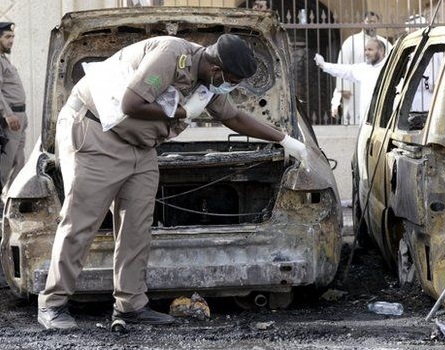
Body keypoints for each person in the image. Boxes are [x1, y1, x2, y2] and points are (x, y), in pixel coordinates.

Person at [37, 34, 308, 330]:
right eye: (230, 80)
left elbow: (234, 117)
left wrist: (284, 140)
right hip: (97, 132)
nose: (229, 87)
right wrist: (181, 112)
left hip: (141, 147)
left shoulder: (209, 83)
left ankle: (130, 306)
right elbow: (131, 103)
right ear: (216, 68)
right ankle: (53, 304)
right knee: (81, 222)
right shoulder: (171, 54)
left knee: (136, 227)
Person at [331, 11, 391, 125]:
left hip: (376, 85)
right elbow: (343, 64)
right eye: (369, 22)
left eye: (374, 22)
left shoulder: (384, 43)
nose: (371, 25)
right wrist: (343, 87)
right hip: (354, 89)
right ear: (362, 23)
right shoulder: (351, 41)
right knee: (355, 117)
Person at [316, 38, 386, 126]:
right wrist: (324, 65)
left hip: (383, 123)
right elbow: (345, 70)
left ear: (381, 51)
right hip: (365, 124)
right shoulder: (364, 68)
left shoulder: (389, 67)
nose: (366, 53)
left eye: (370, 50)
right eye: (365, 50)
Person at [0, 22, 27, 193]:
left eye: (13, 37)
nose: (11, 40)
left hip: (19, 117)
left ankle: (13, 199)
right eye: (7, 37)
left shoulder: (4, 59)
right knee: (6, 162)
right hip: (11, 118)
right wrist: (8, 115)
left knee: (19, 162)